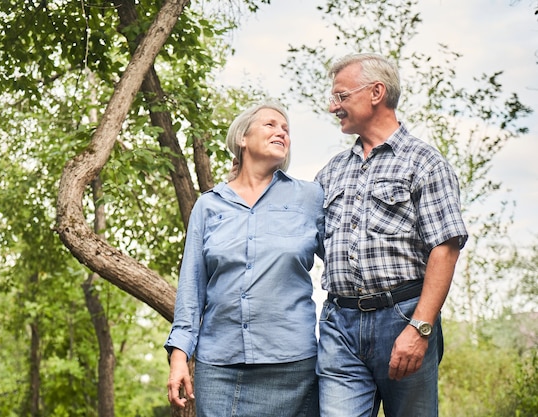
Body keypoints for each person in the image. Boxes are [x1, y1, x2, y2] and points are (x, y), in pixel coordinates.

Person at [314, 53, 469, 417]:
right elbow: (313, 243)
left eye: (340, 96)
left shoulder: (425, 162)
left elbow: (445, 249)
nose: (332, 105)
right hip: (339, 322)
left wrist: (420, 328)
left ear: (376, 92)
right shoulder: (330, 172)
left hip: (403, 316)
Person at [165, 102, 324, 417]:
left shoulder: (309, 198)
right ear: (242, 138)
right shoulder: (208, 207)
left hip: (293, 366)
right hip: (220, 367)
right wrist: (179, 356)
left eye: (286, 129)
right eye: (270, 124)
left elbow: (344, 269)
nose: (281, 131)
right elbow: (191, 287)